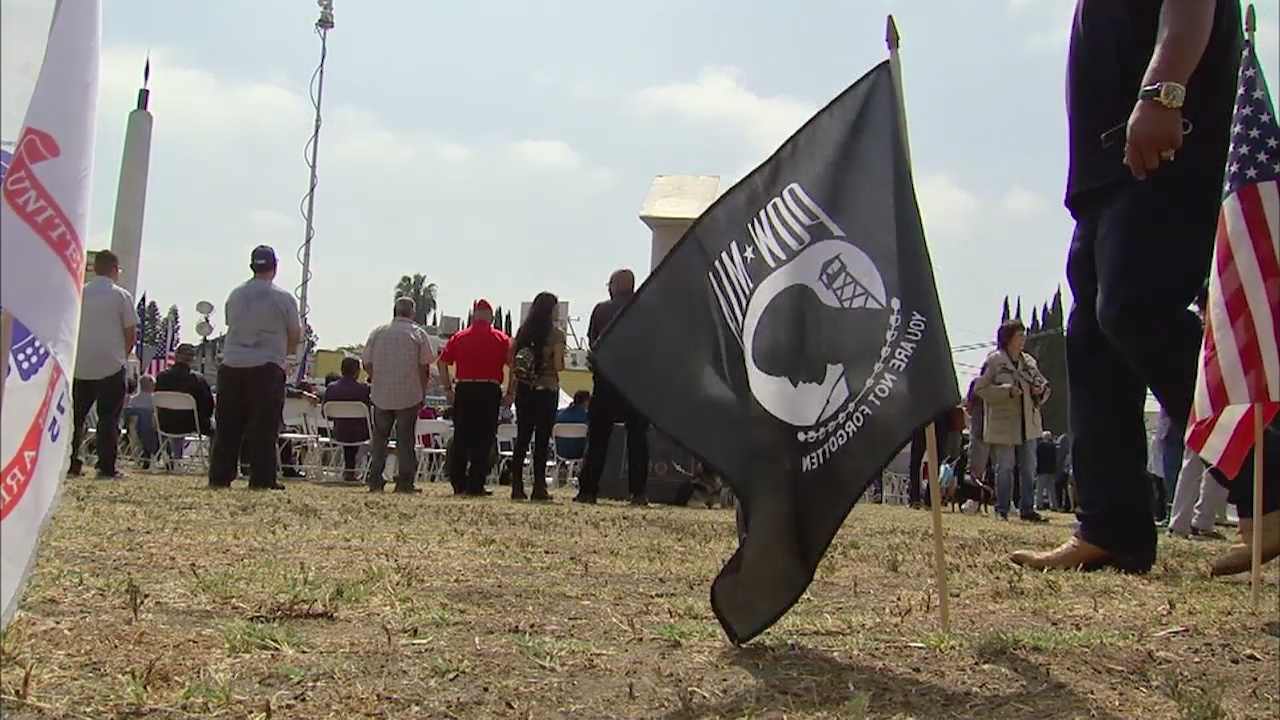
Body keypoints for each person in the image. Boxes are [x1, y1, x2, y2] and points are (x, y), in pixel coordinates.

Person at [1012, 0, 1258, 572]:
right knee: (1093, 338)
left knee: (1136, 307)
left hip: (1164, 147)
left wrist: (1163, 90)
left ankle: (1267, 475)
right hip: (1108, 168)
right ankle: (1112, 524)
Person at [208, 246, 301, 490]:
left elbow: (231, 323)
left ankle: (220, 475)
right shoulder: (283, 298)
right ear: (275, 266)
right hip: (266, 364)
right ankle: (261, 478)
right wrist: (283, 354)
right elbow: (295, 333)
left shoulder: (236, 294)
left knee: (228, 424)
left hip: (232, 363)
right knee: (264, 426)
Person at [576, 269, 651, 506]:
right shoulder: (645, 309)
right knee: (637, 439)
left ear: (615, 286)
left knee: (598, 438)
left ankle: (588, 490)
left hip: (606, 382)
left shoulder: (601, 310)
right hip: (636, 383)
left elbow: (593, 342)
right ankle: (637, 492)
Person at [70, 250, 138, 479]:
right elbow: (130, 332)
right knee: (108, 417)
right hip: (110, 363)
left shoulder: (79, 293)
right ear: (114, 269)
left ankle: (71, 462)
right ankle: (106, 465)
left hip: (81, 363)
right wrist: (122, 355)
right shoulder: (121, 296)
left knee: (75, 419)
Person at [973, 319, 1049, 523]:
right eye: (1019, 336)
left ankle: (1027, 509)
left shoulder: (1030, 362)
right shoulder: (994, 361)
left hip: (1028, 424)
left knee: (1029, 468)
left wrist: (1039, 391)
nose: (1023, 339)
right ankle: (1002, 509)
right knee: (1005, 467)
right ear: (1008, 339)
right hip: (1004, 424)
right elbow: (980, 389)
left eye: (1023, 335)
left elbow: (1044, 386)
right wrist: (1006, 392)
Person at [437, 299, 511, 497]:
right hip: (489, 388)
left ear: (473, 314)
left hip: (465, 388)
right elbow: (516, 367)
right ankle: (475, 483)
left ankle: (457, 481)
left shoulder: (459, 337)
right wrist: (511, 393)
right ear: (491, 317)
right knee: (484, 438)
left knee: (462, 436)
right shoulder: (501, 338)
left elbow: (442, 362)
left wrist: (447, 388)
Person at [362, 297, 435, 493]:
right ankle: (404, 481)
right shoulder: (418, 334)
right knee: (405, 440)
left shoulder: (378, 333)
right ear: (412, 313)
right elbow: (424, 366)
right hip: (408, 393)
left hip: (381, 394)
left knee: (379, 439)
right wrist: (422, 393)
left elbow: (366, 362)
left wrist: (378, 377)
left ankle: (375, 479)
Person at [506, 291, 567, 501]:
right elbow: (558, 365)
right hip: (547, 389)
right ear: (550, 310)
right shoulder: (557, 334)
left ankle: (516, 486)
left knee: (522, 438)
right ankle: (539, 487)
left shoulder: (524, 331)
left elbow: (512, 360)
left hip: (525, 389)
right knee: (541, 439)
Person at [320, 356, 371, 482]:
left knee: (348, 428)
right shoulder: (364, 389)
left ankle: (349, 470)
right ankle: (367, 471)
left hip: (339, 432)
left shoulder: (331, 388)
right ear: (357, 371)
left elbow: (325, 413)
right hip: (362, 433)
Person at [155, 343, 216, 439]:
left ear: (175, 356)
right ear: (192, 359)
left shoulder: (161, 377)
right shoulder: (198, 379)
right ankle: (214, 454)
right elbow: (208, 405)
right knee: (218, 431)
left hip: (164, 424)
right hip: (191, 424)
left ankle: (172, 452)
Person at [122, 375, 159, 464]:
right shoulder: (155, 400)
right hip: (152, 431)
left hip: (133, 432)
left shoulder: (133, 400)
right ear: (152, 385)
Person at [554, 390, 590, 460]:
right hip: (579, 452)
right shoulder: (587, 417)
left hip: (561, 451)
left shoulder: (559, 414)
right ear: (586, 402)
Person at [1034, 431, 1059, 511]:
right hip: (1051, 470)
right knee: (1052, 490)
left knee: (1039, 489)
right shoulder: (1053, 446)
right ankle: (1054, 505)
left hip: (1042, 470)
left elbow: (1037, 457)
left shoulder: (1040, 446)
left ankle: (1039, 504)